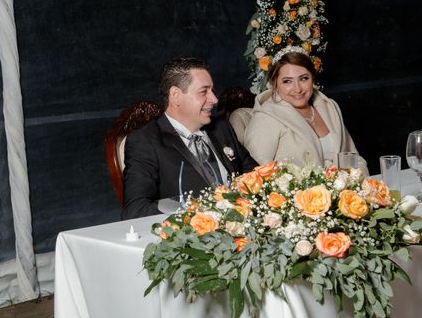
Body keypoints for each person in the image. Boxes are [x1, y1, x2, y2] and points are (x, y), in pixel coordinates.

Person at [121, 57, 257, 220]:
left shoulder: (221, 127)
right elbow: (136, 210)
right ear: (176, 96)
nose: (214, 99)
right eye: (203, 92)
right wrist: (202, 218)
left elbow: (255, 173)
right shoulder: (145, 140)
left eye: (212, 91)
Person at [243, 47, 368, 172]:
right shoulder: (266, 117)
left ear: (312, 78)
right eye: (287, 81)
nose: (297, 89)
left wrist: (355, 183)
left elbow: (355, 160)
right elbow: (253, 175)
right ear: (275, 83)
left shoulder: (330, 108)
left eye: (303, 78)